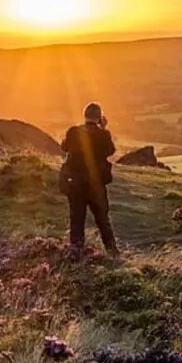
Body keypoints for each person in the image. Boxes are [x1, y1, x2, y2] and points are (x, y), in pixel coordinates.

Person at [60, 102, 119, 254]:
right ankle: (113, 253)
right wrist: (104, 128)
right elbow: (110, 151)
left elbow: (64, 147)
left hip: (75, 183)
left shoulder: (73, 132)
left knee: (77, 220)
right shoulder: (103, 135)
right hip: (95, 184)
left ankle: (76, 252)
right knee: (103, 221)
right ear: (99, 118)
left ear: (84, 115)